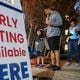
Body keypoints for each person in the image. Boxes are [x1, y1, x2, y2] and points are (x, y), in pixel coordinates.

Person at [44, 6, 63, 70]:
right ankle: (53, 63)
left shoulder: (56, 14)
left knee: (55, 50)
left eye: (46, 11)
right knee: (51, 50)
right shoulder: (49, 16)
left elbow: (60, 23)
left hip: (55, 34)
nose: (45, 12)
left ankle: (57, 65)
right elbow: (49, 26)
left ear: (49, 9)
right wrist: (43, 30)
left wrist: (50, 23)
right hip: (49, 35)